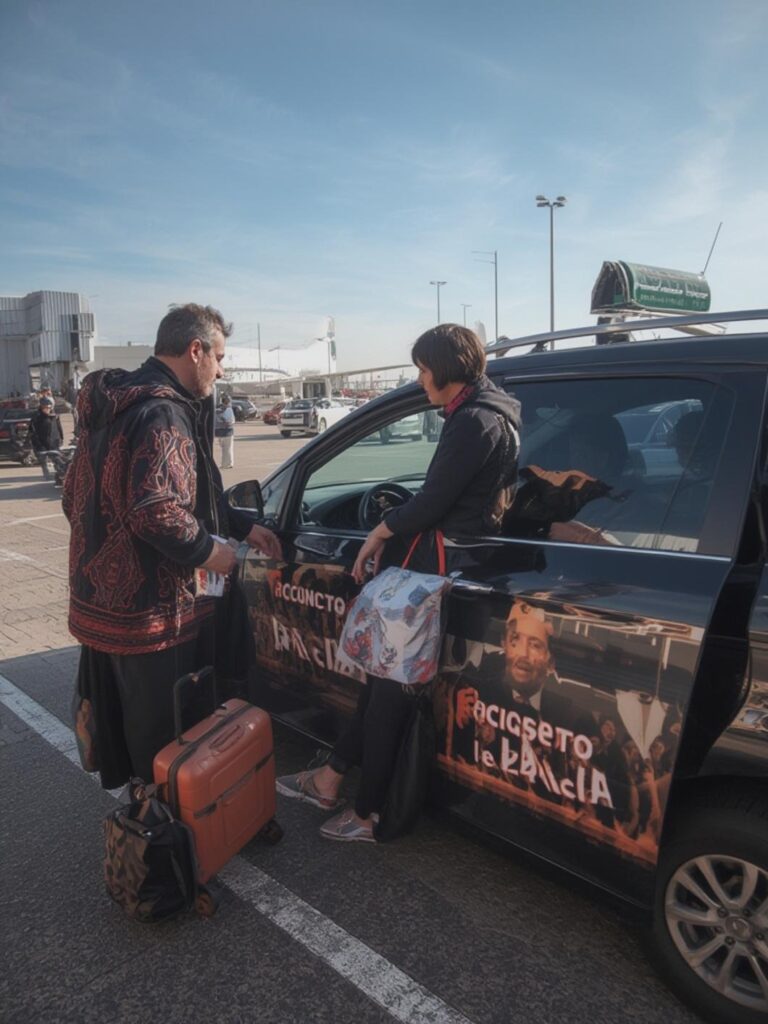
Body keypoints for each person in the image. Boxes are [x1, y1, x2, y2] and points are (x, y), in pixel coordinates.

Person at [276, 323, 521, 842]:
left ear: (446, 369)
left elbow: (432, 501)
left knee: (389, 695)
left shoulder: (474, 421)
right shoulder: (489, 413)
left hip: (433, 578)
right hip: (447, 571)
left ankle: (368, 813)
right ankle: (329, 779)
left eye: (424, 369)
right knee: (380, 684)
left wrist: (380, 531)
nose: (421, 379)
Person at [63, 303, 282, 788]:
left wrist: (240, 525)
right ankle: (161, 824)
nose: (221, 371)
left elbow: (72, 495)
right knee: (166, 741)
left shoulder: (113, 405)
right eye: (218, 357)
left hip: (101, 602)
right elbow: (158, 511)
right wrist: (213, 553)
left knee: (128, 731)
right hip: (152, 612)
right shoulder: (163, 411)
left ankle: (146, 811)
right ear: (195, 350)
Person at [28, 396, 63, 481]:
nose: (47, 409)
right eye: (44, 407)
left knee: (57, 461)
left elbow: (59, 429)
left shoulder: (55, 416)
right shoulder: (37, 417)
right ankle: (46, 474)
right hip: (41, 444)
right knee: (44, 462)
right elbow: (32, 433)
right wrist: (38, 445)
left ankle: (59, 476)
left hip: (53, 443)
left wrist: (61, 439)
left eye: (48, 407)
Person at [215, 393, 236, 469]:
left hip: (219, 432)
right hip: (227, 432)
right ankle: (227, 464)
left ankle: (227, 463)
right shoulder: (229, 409)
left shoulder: (217, 410)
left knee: (224, 448)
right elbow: (231, 421)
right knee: (227, 448)